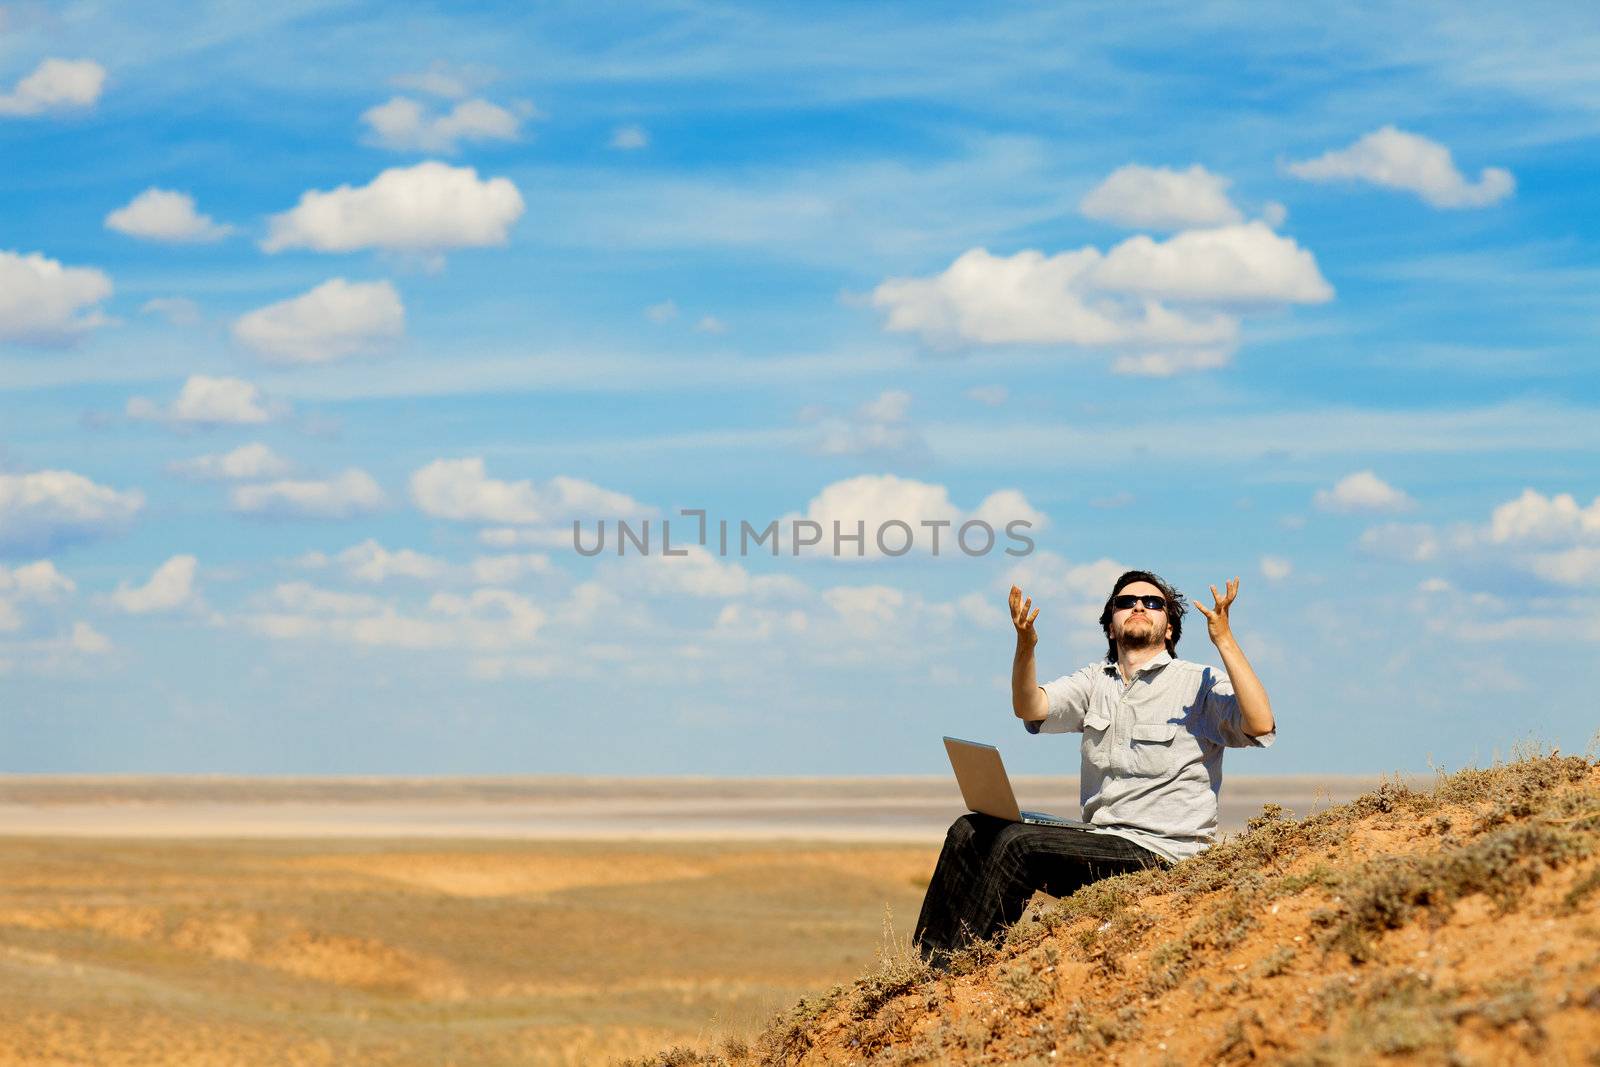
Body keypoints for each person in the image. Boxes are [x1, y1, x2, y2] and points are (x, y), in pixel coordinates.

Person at [913, 569, 1276, 963]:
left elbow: (1259, 723)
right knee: (970, 829)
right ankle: (924, 968)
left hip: (1162, 856)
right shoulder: (1094, 681)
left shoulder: (1198, 682)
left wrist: (1223, 638)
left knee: (1020, 846)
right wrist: (1025, 645)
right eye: (1125, 602)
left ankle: (961, 969)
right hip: (1099, 842)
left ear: (1169, 628)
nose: (1139, 606)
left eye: (1153, 603)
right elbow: (1029, 706)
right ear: (1110, 627)